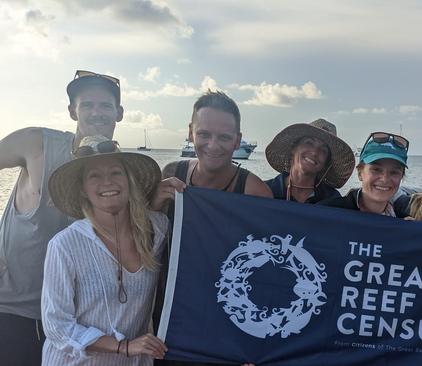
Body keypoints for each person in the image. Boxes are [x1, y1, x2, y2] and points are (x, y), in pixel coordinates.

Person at [0, 70, 123, 365]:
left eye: (105, 106)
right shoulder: (37, 144)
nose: (97, 113)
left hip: (77, 322)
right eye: (87, 105)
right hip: (14, 310)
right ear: (72, 111)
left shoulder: (121, 173)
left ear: (119, 113)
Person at [151, 90, 268, 366]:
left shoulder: (254, 192)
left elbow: (264, 271)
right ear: (190, 133)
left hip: (222, 321)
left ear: (237, 140)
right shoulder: (171, 174)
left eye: (224, 137)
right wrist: (154, 204)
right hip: (167, 313)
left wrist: (255, 344)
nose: (213, 145)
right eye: (204, 134)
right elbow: (143, 240)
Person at [41, 135, 168, 365]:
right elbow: (56, 326)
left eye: (116, 172)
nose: (107, 182)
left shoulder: (158, 229)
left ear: (129, 180)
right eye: (95, 176)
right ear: (83, 189)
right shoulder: (64, 245)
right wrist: (123, 346)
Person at [319, 131, 409, 216]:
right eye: (376, 169)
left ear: (401, 177)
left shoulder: (406, 222)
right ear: (360, 173)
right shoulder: (327, 212)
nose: (385, 179)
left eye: (394, 172)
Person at [265, 118, 355, 203]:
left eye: (323, 150)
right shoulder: (264, 191)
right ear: (293, 149)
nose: (315, 152)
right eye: (309, 143)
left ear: (326, 163)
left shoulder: (332, 200)